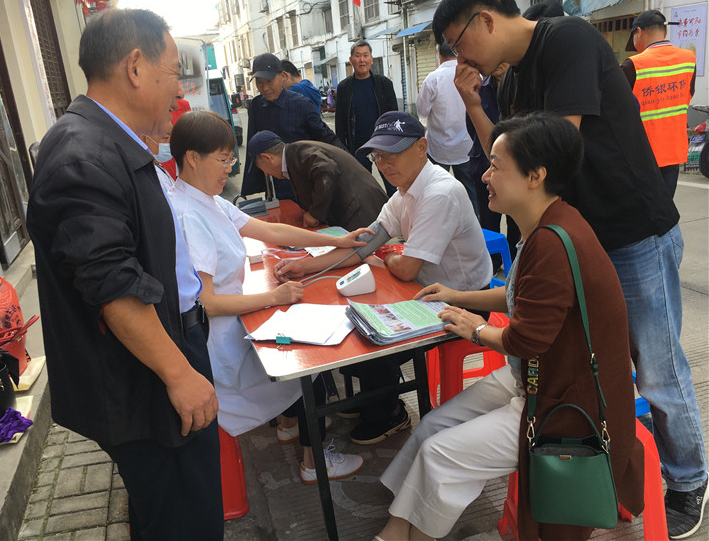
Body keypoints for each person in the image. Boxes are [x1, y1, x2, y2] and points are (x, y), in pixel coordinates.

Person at [432, 0, 707, 537]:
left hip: (632, 230)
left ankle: (687, 479)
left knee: (656, 363)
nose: (460, 61)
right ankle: (618, 473)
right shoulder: (509, 80)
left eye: (457, 45)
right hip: (583, 239)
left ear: (484, 21)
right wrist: (472, 106)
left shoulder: (569, 41)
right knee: (599, 365)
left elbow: (549, 154)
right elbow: (506, 159)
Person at [376, 112, 644, 541]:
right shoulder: (545, 226)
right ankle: (396, 527)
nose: (485, 175)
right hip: (533, 379)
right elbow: (523, 296)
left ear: (536, 175)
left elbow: (525, 337)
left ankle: (413, 535)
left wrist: (472, 328)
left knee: (441, 455)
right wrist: (457, 296)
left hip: (566, 405)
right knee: (432, 427)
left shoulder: (555, 240)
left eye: (497, 165)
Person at [26, 9, 224, 539]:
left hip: (161, 351)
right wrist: (180, 374)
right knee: (187, 517)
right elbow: (112, 283)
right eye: (172, 76)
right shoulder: (82, 154)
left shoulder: (112, 142)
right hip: (143, 377)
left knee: (166, 512)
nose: (178, 92)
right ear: (135, 67)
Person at [168, 110, 366, 484]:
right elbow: (205, 302)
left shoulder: (207, 200)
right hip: (219, 345)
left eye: (231, 159)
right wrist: (273, 298)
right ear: (192, 157)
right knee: (312, 369)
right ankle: (315, 462)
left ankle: (290, 428)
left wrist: (336, 240)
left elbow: (271, 231)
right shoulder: (188, 215)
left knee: (300, 350)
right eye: (223, 160)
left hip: (234, 328)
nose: (229, 168)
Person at [274, 111, 492, 446]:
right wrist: (306, 267)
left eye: (393, 155)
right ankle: (372, 400)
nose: (385, 165)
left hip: (462, 299)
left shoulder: (439, 192)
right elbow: (364, 245)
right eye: (378, 157)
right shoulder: (404, 193)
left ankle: (391, 412)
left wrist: (389, 256)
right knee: (352, 316)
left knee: (370, 336)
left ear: (422, 147)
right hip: (422, 289)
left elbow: (404, 268)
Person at [240, 53, 345, 201]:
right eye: (259, 82)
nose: (265, 88)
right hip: (274, 186)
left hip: (303, 183)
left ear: (282, 76)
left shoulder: (301, 104)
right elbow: (254, 144)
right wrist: (251, 184)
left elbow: (326, 137)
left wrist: (349, 164)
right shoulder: (257, 106)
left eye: (269, 81)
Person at [622, 9, 697, 196]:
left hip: (641, 154)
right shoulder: (689, 59)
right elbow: (689, 94)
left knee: (641, 213)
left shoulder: (633, 64)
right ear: (664, 32)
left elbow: (618, 108)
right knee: (665, 210)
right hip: (673, 151)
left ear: (638, 32)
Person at [248, 130, 387, 230]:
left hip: (363, 210)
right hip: (357, 210)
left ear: (267, 158)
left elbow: (327, 170)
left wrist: (315, 213)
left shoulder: (299, 153)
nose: (266, 174)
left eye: (262, 168)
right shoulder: (293, 155)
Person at [465, 62, 520, 269]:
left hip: (515, 168)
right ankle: (491, 264)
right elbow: (472, 126)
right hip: (483, 165)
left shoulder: (520, 86)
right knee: (488, 220)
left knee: (515, 221)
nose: (499, 64)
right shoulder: (480, 88)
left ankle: (514, 263)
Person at [416, 42, 476, 215]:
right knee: (471, 194)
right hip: (466, 147)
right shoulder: (472, 75)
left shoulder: (433, 79)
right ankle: (476, 229)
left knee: (435, 191)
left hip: (438, 148)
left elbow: (422, 111)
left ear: (438, 54)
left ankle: (437, 223)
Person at [335, 41, 399, 196]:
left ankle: (397, 217)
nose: (362, 60)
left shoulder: (384, 84)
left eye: (365, 55)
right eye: (357, 56)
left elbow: (394, 115)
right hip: (357, 148)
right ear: (351, 60)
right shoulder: (344, 87)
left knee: (393, 186)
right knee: (362, 189)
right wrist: (343, 151)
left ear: (371, 59)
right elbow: (340, 122)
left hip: (383, 147)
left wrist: (394, 144)